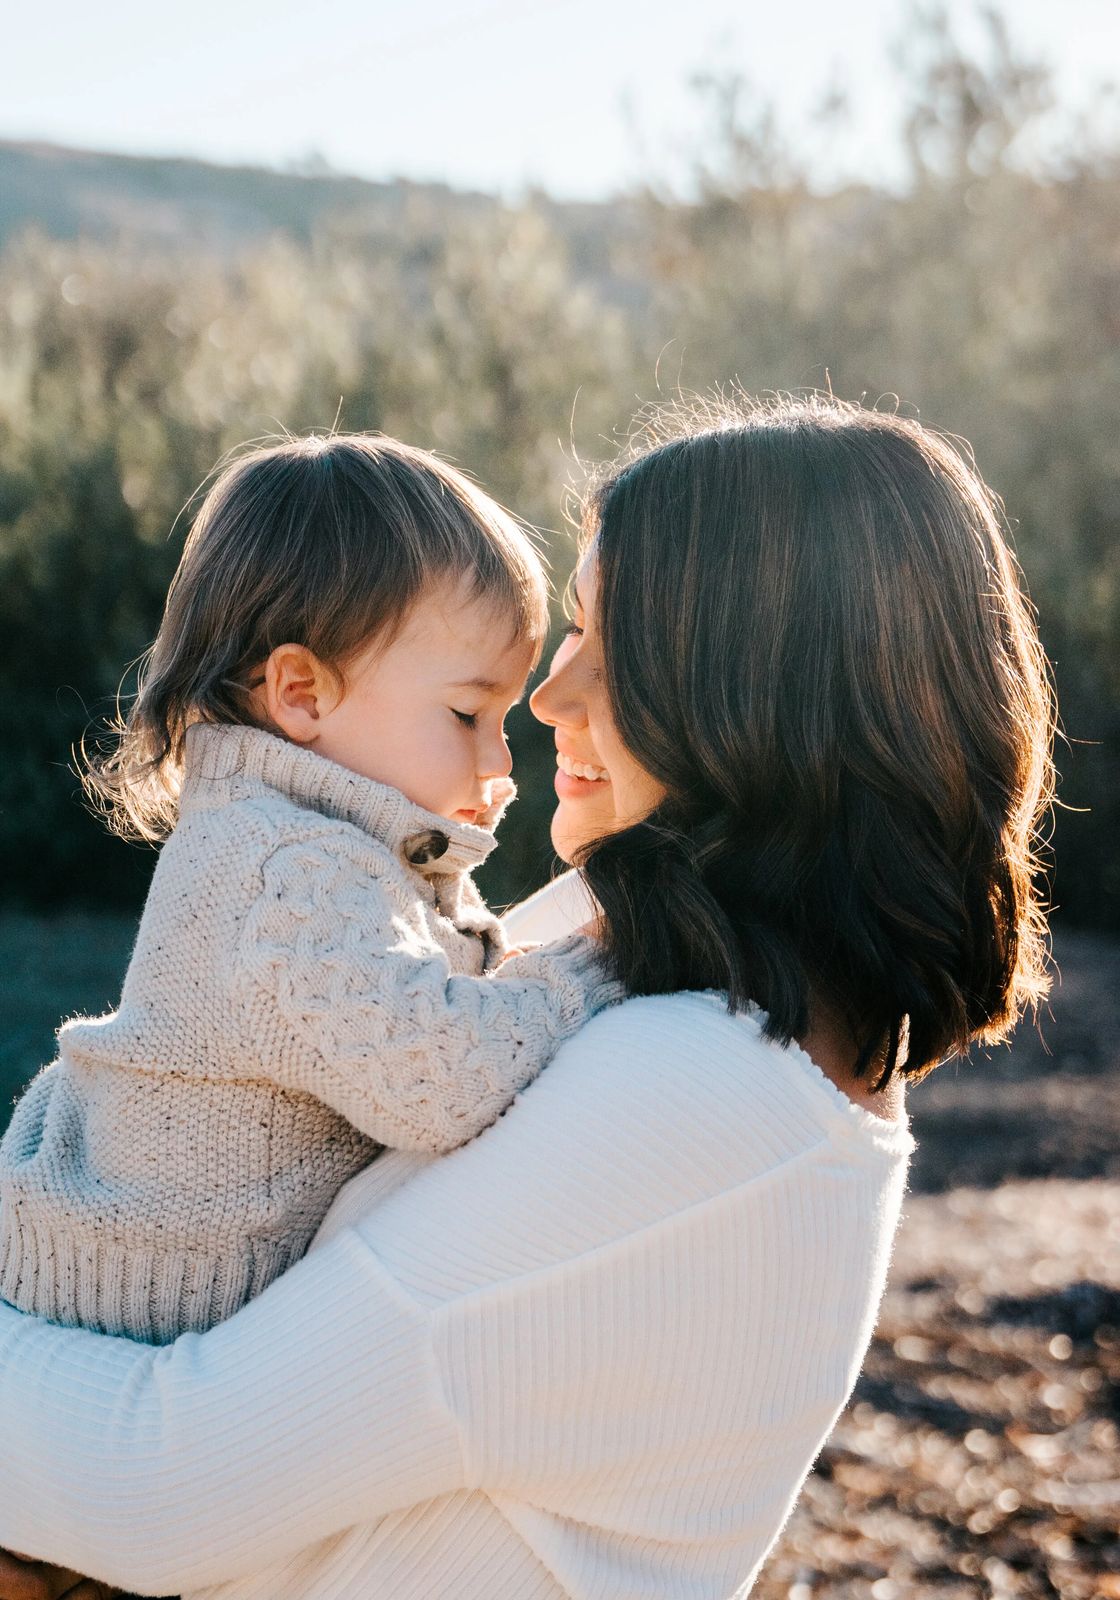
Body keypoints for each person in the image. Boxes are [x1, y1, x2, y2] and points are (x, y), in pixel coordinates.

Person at [0, 394, 1054, 1600]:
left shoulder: (697, 1095)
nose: (549, 699)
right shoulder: (677, 1010)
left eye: (614, 644)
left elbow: (151, 1483)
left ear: (758, 699)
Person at [0, 431, 617, 1344]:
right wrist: (586, 970)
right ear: (301, 693)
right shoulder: (287, 869)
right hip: (134, 1309)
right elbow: (436, 1077)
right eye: (466, 714)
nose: (501, 763)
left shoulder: (308, 839)